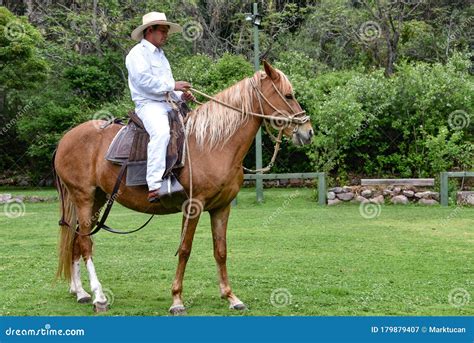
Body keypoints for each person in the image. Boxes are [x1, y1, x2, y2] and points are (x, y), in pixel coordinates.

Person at [126, 12, 195, 203]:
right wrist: (173, 85)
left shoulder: (162, 56)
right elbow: (144, 82)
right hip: (148, 105)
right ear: (150, 30)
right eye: (163, 31)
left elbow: (167, 88)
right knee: (162, 133)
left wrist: (182, 96)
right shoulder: (137, 54)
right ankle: (155, 184)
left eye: (166, 32)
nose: (166, 35)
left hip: (168, 104)